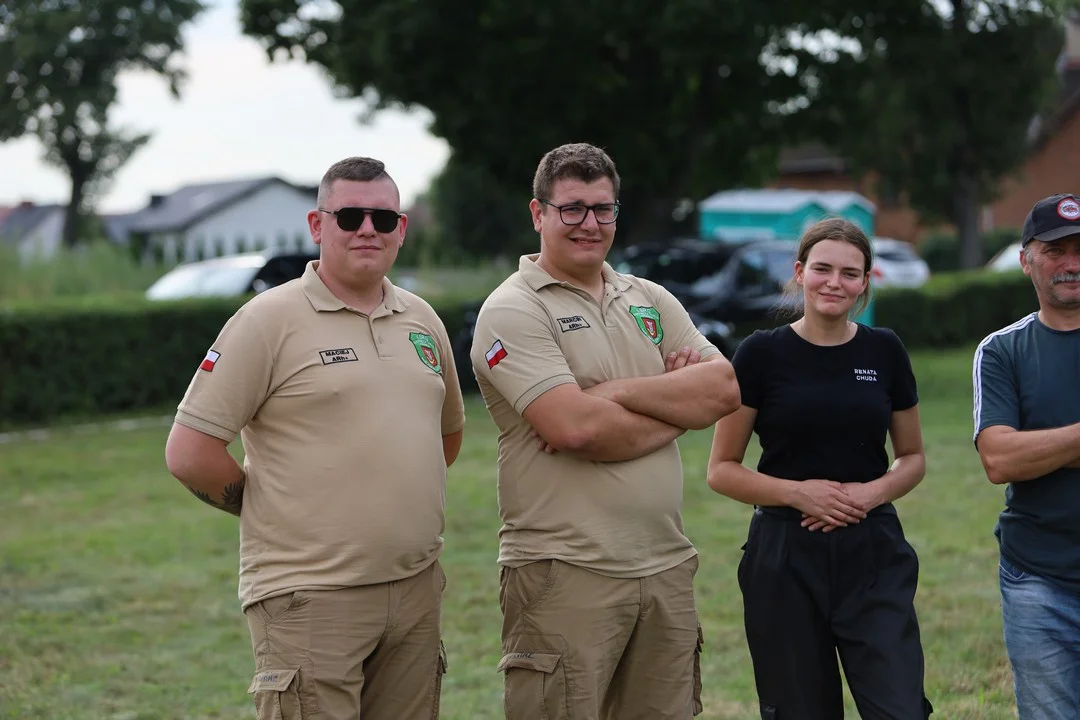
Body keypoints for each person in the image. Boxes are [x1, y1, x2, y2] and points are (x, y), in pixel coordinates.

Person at [164, 156, 465, 720]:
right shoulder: (266, 321)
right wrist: (266, 505)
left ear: (402, 228)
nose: (367, 229)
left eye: (383, 217)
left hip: (415, 590)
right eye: (350, 216)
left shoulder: (422, 319)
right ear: (317, 225)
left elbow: (443, 438)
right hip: (310, 598)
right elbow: (189, 453)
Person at [469, 142, 741, 720]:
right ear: (538, 214)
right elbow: (575, 428)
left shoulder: (648, 298)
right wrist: (674, 409)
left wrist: (609, 394)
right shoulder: (513, 309)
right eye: (571, 208)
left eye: (603, 208)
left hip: (665, 564)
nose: (589, 223)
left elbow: (723, 391)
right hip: (565, 570)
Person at [706, 217, 933, 719]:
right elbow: (721, 469)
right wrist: (798, 494)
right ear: (799, 272)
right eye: (823, 269)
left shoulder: (885, 349)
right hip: (785, 556)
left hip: (873, 550)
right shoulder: (761, 354)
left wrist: (869, 496)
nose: (835, 282)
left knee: (900, 708)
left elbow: (913, 457)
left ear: (866, 283)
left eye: (850, 273)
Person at [973, 193, 1080, 720]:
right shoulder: (1001, 351)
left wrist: (1045, 445)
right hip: (1038, 581)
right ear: (1025, 260)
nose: (1072, 263)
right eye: (1056, 250)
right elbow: (999, 460)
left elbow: (1020, 452)